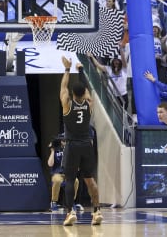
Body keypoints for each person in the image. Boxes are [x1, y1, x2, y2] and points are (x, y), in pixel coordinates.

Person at [60, 56, 103, 226]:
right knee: (90, 179)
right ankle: (97, 210)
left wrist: (67, 69)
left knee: (70, 180)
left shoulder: (66, 103)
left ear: (72, 94)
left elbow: (63, 87)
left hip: (72, 145)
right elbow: (87, 90)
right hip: (87, 145)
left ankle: (70, 213)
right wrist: (81, 70)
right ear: (84, 94)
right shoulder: (89, 104)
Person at [47, 134, 80, 212]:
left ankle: (71, 202)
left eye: (66, 140)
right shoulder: (56, 150)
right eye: (63, 140)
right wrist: (52, 151)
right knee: (57, 180)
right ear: (60, 141)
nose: (64, 142)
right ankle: (54, 202)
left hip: (68, 173)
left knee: (76, 181)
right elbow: (50, 164)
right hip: (57, 173)